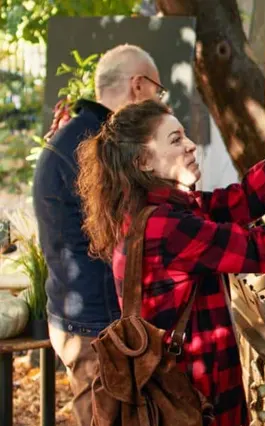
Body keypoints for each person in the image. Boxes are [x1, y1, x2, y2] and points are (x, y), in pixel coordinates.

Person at [75, 99, 265, 426]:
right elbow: (258, 249)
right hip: (196, 395)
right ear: (142, 160)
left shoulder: (156, 209)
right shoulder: (165, 227)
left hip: (186, 387)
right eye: (176, 140)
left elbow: (236, 203)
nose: (191, 145)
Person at [32, 43, 166, 426]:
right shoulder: (99, 145)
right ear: (138, 86)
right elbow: (136, 227)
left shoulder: (79, 134)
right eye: (158, 91)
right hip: (96, 326)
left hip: (81, 316)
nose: (158, 102)